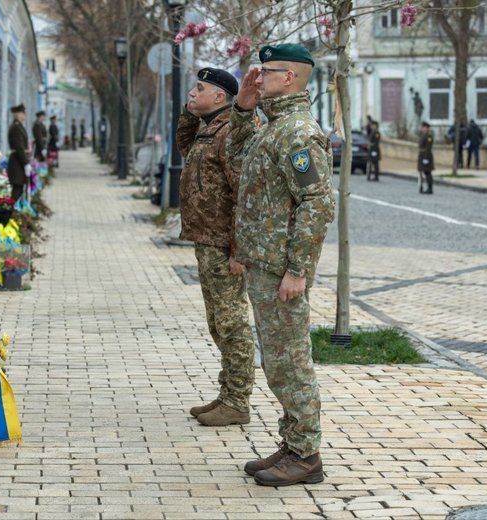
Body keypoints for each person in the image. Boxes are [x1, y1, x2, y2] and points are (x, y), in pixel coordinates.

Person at [226, 43, 335, 487]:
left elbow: (317, 203)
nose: (258, 77)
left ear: (289, 77)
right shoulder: (272, 128)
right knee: (277, 361)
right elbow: (234, 160)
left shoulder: (297, 133)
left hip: (280, 269)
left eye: (266, 72)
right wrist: (241, 108)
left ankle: (307, 454)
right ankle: (292, 444)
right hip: (263, 264)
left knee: (291, 362)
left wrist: (298, 269)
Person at [176, 67, 255, 427]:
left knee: (232, 322)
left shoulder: (229, 133)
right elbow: (183, 143)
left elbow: (243, 192)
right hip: (207, 239)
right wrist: (188, 111)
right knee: (217, 322)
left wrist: (240, 249)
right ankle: (226, 394)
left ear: (220, 97)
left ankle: (238, 400)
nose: (192, 92)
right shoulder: (208, 129)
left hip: (225, 244)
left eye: (199, 88)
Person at [7, 104, 29, 201]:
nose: (24, 115)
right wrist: (26, 163)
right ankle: (14, 213)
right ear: (17, 114)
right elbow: (19, 147)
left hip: (18, 161)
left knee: (19, 189)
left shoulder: (19, 126)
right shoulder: (16, 127)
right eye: (22, 113)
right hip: (17, 162)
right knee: (16, 191)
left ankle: (16, 213)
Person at [418, 122, 435, 194]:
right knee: (424, 172)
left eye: (424, 127)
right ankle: (423, 187)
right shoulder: (423, 135)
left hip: (426, 155)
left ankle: (430, 188)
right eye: (423, 127)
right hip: (422, 155)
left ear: (427, 128)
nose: (423, 129)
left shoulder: (429, 136)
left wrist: (426, 158)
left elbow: (428, 147)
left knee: (428, 172)